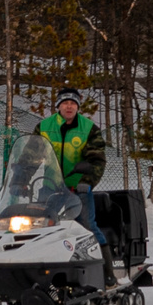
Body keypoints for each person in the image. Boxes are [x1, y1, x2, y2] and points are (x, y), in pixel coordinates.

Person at [36, 88, 112, 244]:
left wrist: (87, 181)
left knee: (87, 226)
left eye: (73, 103)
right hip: (51, 186)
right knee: (39, 224)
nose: (69, 107)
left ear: (78, 106)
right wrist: (19, 181)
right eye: (65, 103)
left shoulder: (89, 129)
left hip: (78, 187)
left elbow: (97, 160)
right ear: (58, 105)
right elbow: (30, 155)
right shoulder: (44, 127)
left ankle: (105, 258)